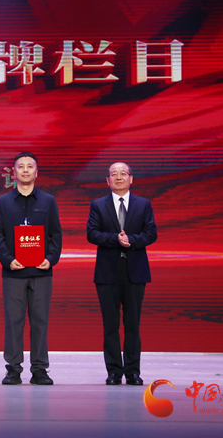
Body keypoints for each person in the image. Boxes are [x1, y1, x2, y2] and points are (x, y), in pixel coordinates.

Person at [0, 152, 62, 386]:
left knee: (40, 321)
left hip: (41, 272)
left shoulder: (48, 201)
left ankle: (40, 369)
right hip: (13, 271)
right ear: (14, 172)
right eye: (20, 167)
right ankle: (13, 369)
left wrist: (50, 259)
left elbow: (56, 234)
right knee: (14, 321)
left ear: (36, 172)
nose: (25, 170)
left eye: (29, 166)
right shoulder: (2, 202)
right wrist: (8, 259)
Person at [87, 162, 157, 386]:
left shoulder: (143, 204)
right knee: (110, 325)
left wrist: (131, 241)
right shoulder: (98, 205)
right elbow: (92, 233)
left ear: (131, 179)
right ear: (107, 180)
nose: (118, 177)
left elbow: (151, 233)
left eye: (123, 173)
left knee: (132, 325)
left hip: (135, 272)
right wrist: (115, 239)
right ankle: (114, 372)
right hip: (107, 273)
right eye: (113, 174)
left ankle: (133, 372)